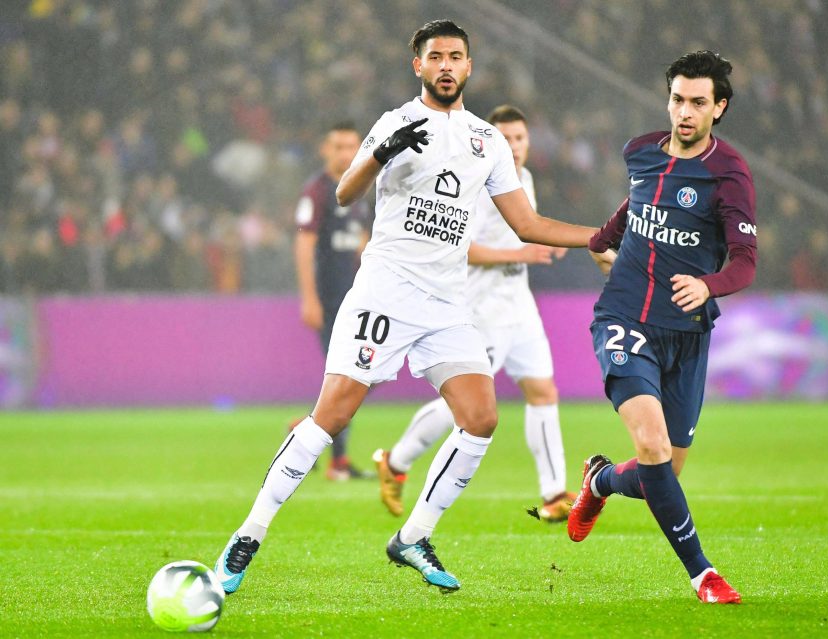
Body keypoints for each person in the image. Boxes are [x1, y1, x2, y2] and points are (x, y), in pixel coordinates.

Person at [214, 19, 595, 594]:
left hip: (446, 302)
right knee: (332, 415)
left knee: (481, 417)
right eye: (435, 56)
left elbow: (528, 224)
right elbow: (345, 192)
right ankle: (249, 533)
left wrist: (603, 236)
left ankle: (412, 536)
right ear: (417, 65)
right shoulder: (395, 122)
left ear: (469, 67)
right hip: (385, 292)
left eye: (456, 56)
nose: (446, 65)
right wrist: (380, 155)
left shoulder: (487, 141)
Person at [567, 50, 756, 605]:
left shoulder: (729, 174)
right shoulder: (641, 151)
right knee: (649, 444)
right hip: (624, 318)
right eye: (678, 100)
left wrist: (708, 285)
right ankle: (704, 575)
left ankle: (599, 482)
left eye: (699, 103)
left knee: (663, 474)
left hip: (688, 332)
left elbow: (744, 259)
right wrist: (603, 241)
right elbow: (636, 205)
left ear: (719, 107)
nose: (685, 112)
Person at [373, 104, 574, 523]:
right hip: (480, 309)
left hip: (519, 307)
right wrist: (519, 253)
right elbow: (461, 248)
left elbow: (529, 228)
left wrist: (550, 245)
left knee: (543, 392)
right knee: (461, 407)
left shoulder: (525, 180)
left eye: (520, 138)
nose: (514, 146)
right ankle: (395, 461)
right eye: (507, 139)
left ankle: (554, 492)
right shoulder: (478, 184)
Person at [292, 123, 374, 481]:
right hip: (328, 300)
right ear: (325, 150)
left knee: (360, 377)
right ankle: (336, 462)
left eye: (351, 146)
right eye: (338, 145)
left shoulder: (362, 191)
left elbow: (366, 241)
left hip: (356, 300)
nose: (345, 153)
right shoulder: (318, 191)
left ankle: (305, 428)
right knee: (345, 378)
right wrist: (309, 298)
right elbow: (304, 244)